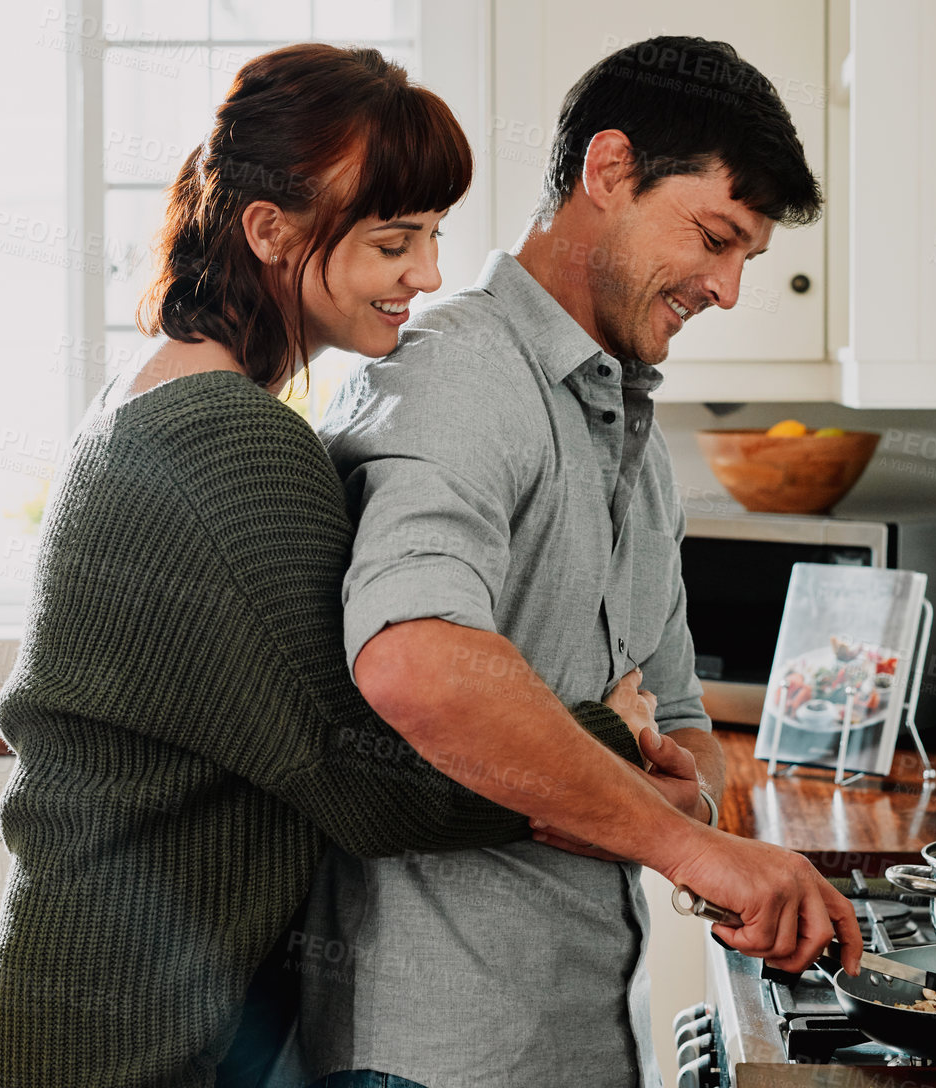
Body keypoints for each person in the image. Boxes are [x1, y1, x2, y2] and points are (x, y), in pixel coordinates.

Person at [0, 44, 673, 1088]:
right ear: (269, 231)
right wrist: (613, 732)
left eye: (432, 234)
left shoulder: (161, 390)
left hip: (100, 1010)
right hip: (127, 1043)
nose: (427, 275)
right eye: (394, 240)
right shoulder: (232, 442)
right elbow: (366, 780)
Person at [290, 35, 859, 1088]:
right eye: (714, 237)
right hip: (432, 1056)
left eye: (748, 259)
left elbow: (684, 719)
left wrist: (676, 799)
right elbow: (414, 659)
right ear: (608, 171)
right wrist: (685, 843)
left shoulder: (628, 432)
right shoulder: (457, 376)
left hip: (581, 1037)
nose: (728, 289)